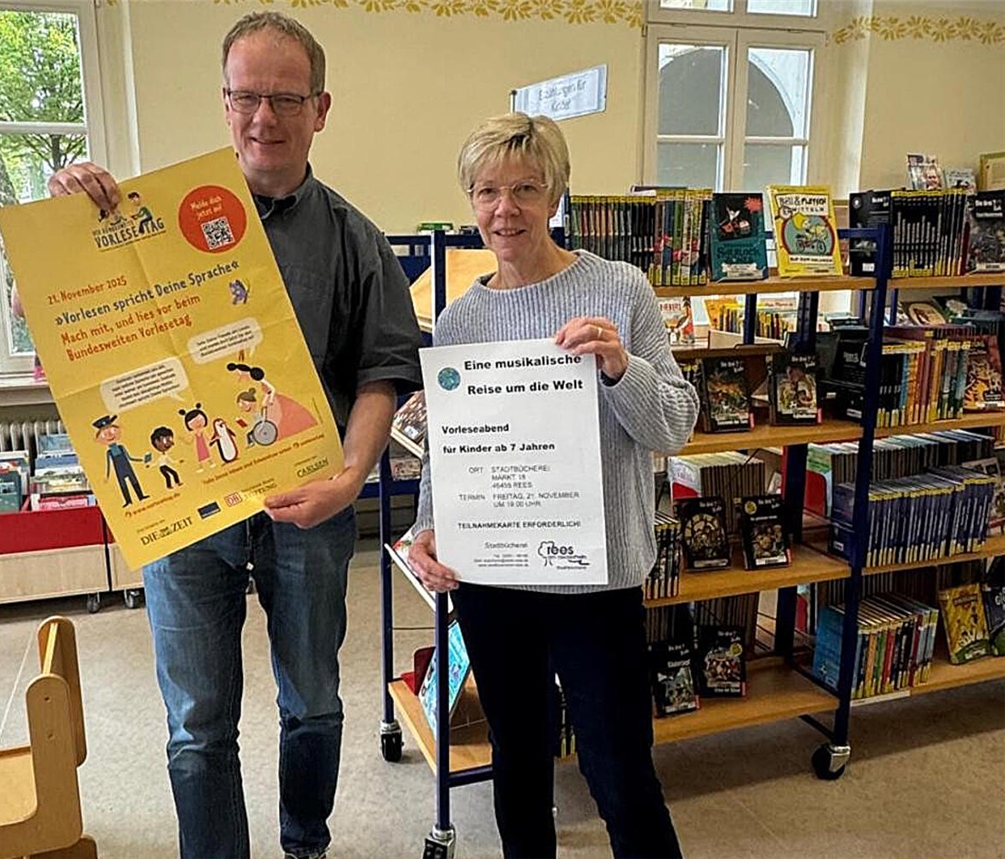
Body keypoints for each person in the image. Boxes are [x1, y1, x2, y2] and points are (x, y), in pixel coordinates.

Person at [45, 11, 422, 859]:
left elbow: (383, 374)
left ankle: (305, 843)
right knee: (197, 719)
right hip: (187, 515)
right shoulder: (142, 224)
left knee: (315, 699)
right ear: (224, 103)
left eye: (285, 97)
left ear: (320, 108)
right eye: (247, 95)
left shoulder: (357, 240)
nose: (265, 117)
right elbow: (73, 315)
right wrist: (69, 222)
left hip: (311, 503)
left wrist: (350, 475)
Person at [407, 113, 699, 859]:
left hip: (594, 580)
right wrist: (427, 528)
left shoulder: (618, 289)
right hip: (494, 576)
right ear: (470, 201)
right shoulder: (461, 319)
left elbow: (674, 426)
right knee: (518, 765)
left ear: (557, 194)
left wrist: (619, 367)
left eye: (526, 189)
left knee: (620, 771)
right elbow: (450, 447)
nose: (505, 210)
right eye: (488, 191)